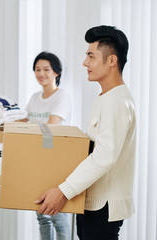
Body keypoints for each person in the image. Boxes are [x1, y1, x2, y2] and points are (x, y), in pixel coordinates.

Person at [35, 25, 136, 240]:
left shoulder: (117, 101)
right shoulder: (106, 97)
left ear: (111, 60)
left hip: (103, 205)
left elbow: (103, 156)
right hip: (93, 200)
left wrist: (63, 191)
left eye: (91, 56)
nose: (84, 63)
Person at [19, 51, 72, 240]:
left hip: (55, 160)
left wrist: (28, 130)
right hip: (37, 159)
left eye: (46, 69)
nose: (41, 73)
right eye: (37, 69)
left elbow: (51, 127)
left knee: (57, 214)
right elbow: (22, 122)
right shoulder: (35, 97)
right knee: (41, 214)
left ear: (56, 72)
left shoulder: (62, 96)